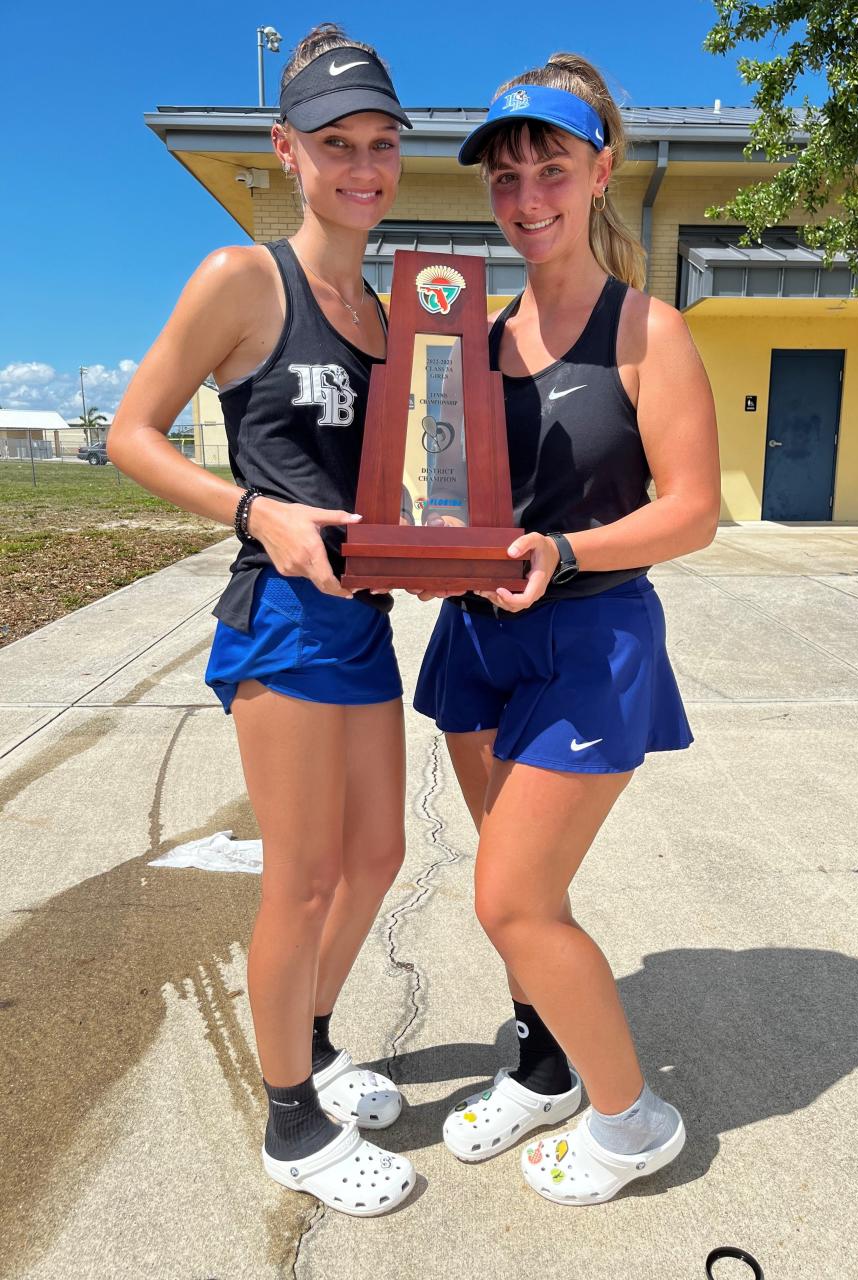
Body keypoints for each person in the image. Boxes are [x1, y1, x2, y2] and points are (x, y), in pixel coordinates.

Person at [109, 24, 418, 1217]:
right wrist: (258, 509)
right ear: (287, 151)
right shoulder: (245, 280)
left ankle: (315, 1039)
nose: (363, 166)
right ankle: (291, 1120)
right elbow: (129, 434)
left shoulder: (396, 315)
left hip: (364, 623)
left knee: (378, 854)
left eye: (381, 144)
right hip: (281, 617)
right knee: (298, 877)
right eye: (336, 143)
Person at [413, 54, 720, 1205]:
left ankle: (633, 1118)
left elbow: (693, 508)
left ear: (599, 172)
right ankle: (545, 1058)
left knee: (511, 895)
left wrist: (568, 552)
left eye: (550, 166)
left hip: (594, 640)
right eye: (506, 174)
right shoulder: (471, 346)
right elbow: (447, 497)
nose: (526, 193)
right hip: (482, 645)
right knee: (522, 889)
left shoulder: (648, 329)